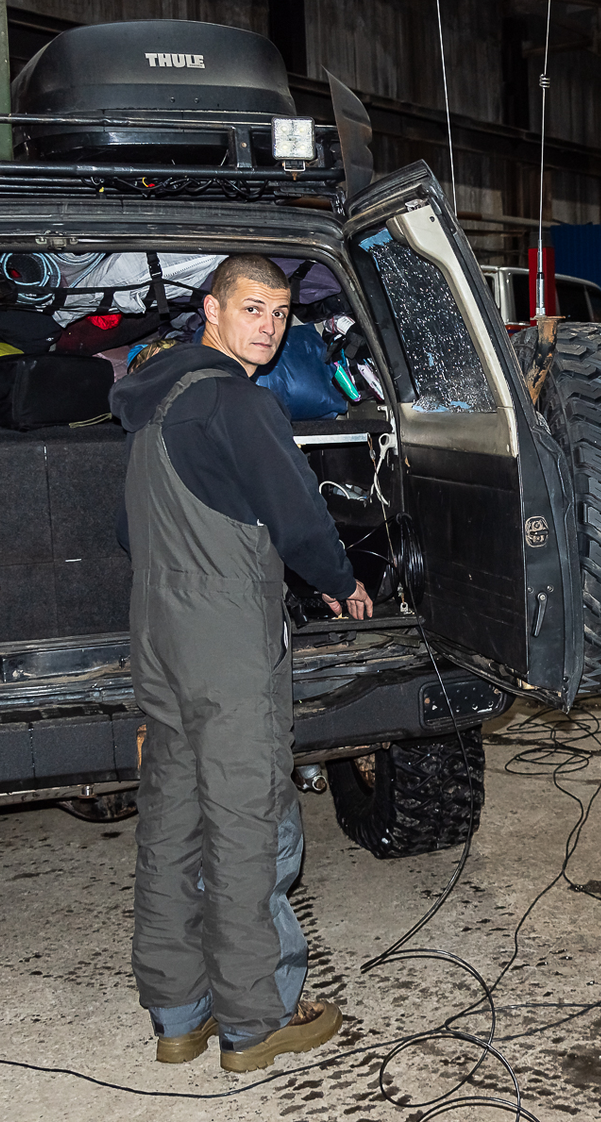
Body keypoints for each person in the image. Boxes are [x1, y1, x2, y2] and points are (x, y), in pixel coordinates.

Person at [110, 253, 373, 1073]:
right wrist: (341, 582)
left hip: (156, 633)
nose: (269, 327)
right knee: (247, 821)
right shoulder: (237, 402)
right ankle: (257, 1021)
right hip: (224, 640)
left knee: (172, 821)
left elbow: (127, 534)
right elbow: (297, 516)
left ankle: (178, 1016)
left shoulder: (152, 406)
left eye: (282, 314)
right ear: (211, 310)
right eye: (254, 308)